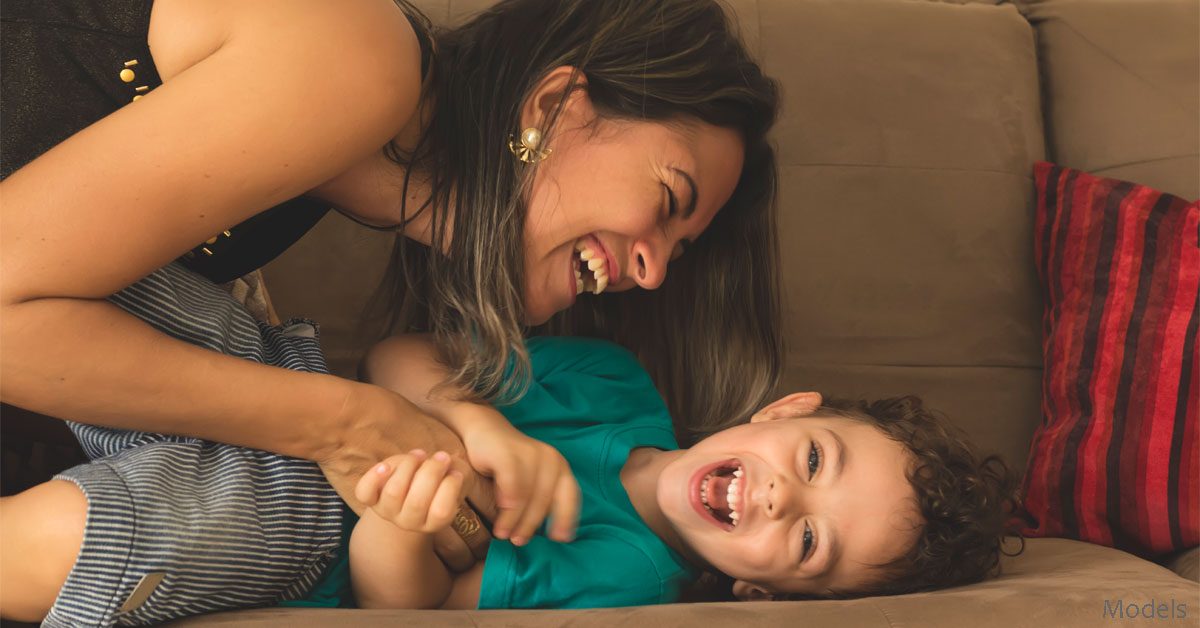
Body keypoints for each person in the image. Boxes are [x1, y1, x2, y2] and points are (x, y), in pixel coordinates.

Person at [0, 0, 781, 622]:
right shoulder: (358, 63)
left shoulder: (364, 168)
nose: (649, 273)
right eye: (668, 200)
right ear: (556, 106)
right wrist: (348, 426)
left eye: (675, 253)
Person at [1, 336, 1021, 618]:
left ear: (762, 592)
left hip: (302, 526)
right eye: (810, 462)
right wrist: (469, 419)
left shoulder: (628, 577)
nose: (779, 497)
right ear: (786, 412)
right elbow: (403, 354)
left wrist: (408, 509)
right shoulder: (615, 384)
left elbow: (410, 597)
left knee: (70, 547)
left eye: (805, 541)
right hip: (288, 384)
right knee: (76, 278)